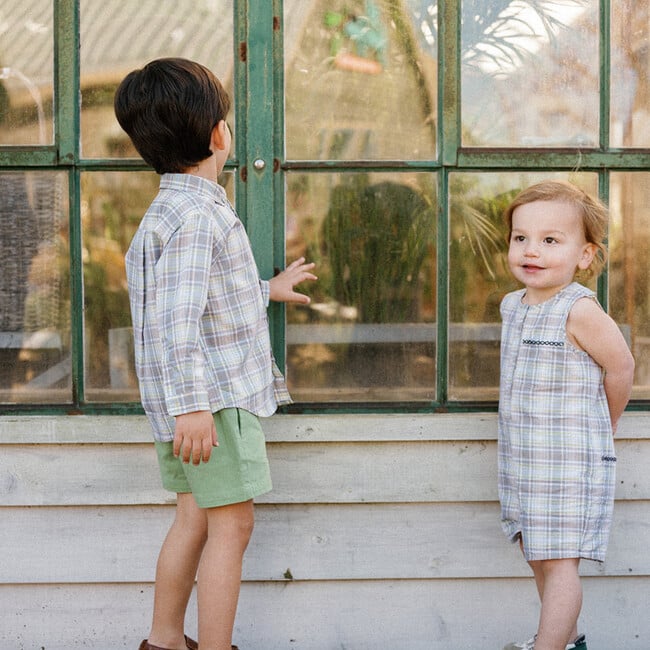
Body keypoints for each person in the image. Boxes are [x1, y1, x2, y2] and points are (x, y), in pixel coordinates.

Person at [114, 57, 317, 650]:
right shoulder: (200, 215)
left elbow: (199, 300)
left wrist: (263, 290)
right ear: (219, 135)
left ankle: (165, 640)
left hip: (189, 404)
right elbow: (178, 323)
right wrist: (194, 407)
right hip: (213, 404)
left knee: (194, 519)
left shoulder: (170, 212)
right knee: (234, 526)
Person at [497, 180, 635, 650]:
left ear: (585, 255)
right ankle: (566, 640)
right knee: (537, 553)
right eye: (521, 238)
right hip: (525, 458)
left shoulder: (578, 309)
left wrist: (606, 426)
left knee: (560, 563)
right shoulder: (512, 306)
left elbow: (621, 366)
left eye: (550, 240)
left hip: (569, 461)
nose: (531, 251)